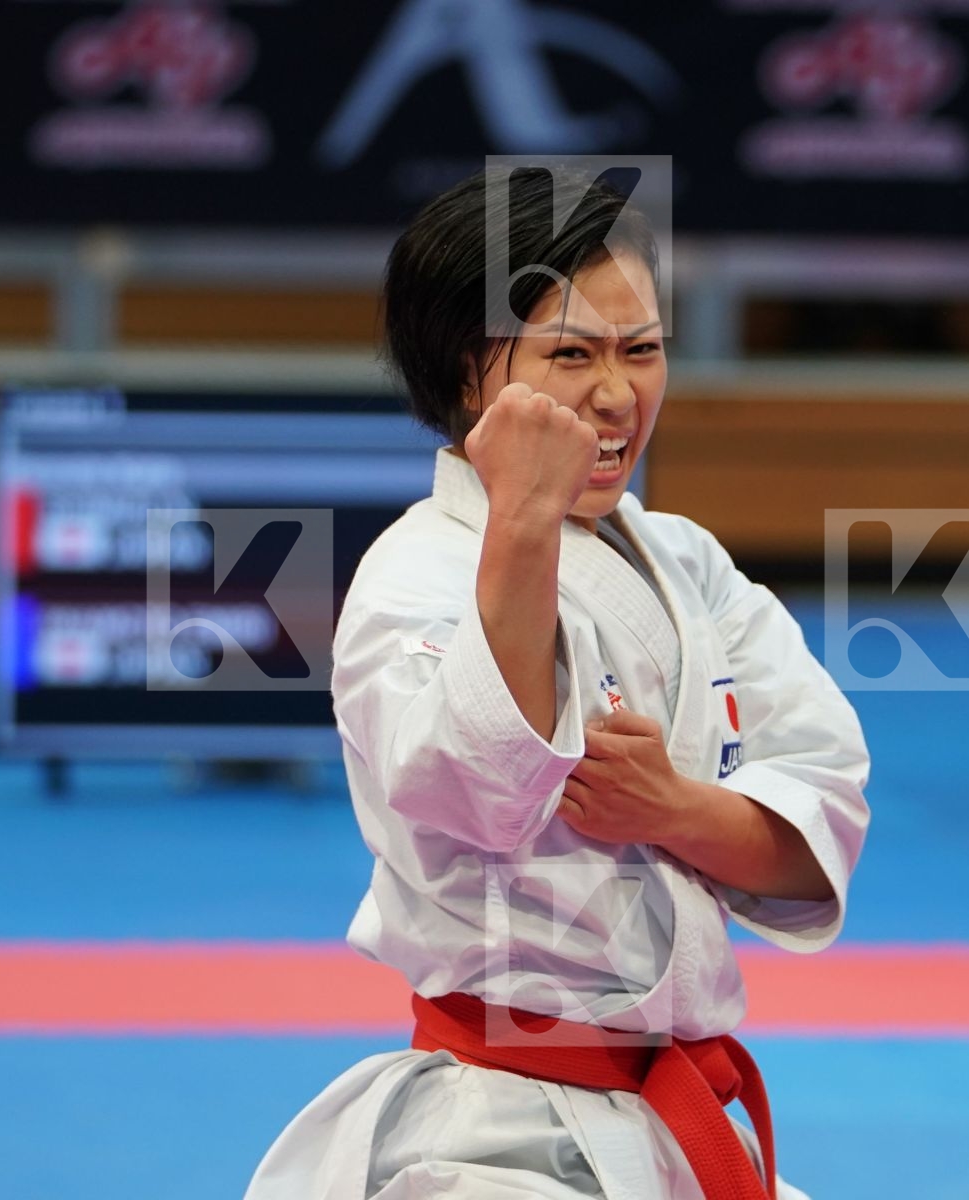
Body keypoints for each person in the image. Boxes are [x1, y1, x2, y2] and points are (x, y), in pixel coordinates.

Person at [242, 166, 871, 1200]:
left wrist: (672, 810)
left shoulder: (691, 568)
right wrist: (523, 522)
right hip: (491, 1129)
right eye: (571, 354)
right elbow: (480, 793)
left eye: (643, 350)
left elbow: (816, 836)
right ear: (466, 374)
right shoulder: (412, 578)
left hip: (679, 1121)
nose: (617, 394)